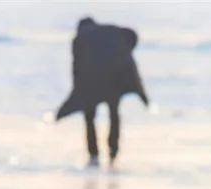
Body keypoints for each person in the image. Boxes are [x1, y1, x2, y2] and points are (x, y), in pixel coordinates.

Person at [55, 17, 149, 167]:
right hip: (114, 80)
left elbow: (76, 68)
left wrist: (77, 92)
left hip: (91, 82)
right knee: (114, 114)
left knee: (89, 117)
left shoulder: (80, 39)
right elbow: (131, 37)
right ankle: (113, 151)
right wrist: (143, 95)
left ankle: (93, 154)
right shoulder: (112, 31)